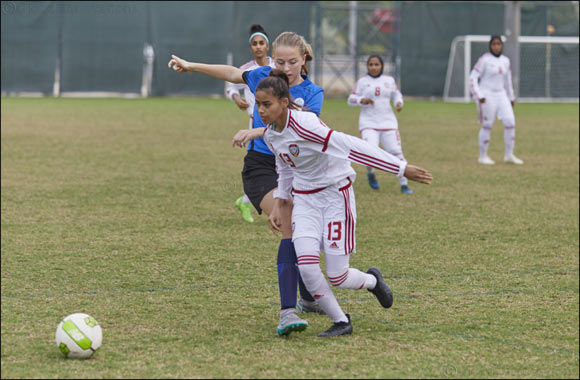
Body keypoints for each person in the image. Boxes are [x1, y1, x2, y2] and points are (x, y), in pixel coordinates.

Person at [233, 70, 433, 337]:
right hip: (305, 201)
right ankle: (341, 321)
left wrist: (400, 168)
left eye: (266, 104)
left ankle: (373, 282)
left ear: (284, 102)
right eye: (258, 104)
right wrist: (281, 204)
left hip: (336, 196)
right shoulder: (270, 135)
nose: (261, 110)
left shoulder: (306, 124)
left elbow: (352, 146)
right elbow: (286, 168)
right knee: (306, 265)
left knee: (338, 276)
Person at [169, 31, 325, 336]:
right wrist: (191, 66)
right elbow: (232, 73)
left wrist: (254, 131)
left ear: (303, 59)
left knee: (306, 233)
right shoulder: (264, 77)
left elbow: (297, 129)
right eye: (279, 61)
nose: (285, 67)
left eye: (292, 61)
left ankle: (307, 297)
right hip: (261, 169)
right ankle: (287, 312)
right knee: (290, 227)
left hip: (295, 170)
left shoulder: (313, 93)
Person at [226, 24, 277, 224]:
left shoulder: (276, 67)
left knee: (279, 162)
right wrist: (236, 98)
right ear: (251, 47)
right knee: (263, 163)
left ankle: (247, 200)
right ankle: (252, 199)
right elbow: (230, 86)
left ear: (268, 46)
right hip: (256, 124)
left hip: (278, 122)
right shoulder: (247, 70)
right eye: (254, 44)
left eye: (261, 43)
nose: (258, 47)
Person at [348, 55, 413, 194]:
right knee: (370, 152)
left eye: (376, 64)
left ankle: (404, 184)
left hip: (388, 122)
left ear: (381, 66)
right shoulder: (362, 82)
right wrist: (361, 100)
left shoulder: (389, 81)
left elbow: (396, 95)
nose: (373, 67)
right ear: (367, 66)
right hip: (368, 123)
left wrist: (398, 103)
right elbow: (351, 99)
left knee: (396, 152)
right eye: (371, 64)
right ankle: (370, 173)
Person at [469, 35, 523, 165]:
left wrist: (511, 97)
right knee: (487, 125)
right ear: (490, 45)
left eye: (499, 44)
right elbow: (472, 78)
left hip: (502, 95)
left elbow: (507, 81)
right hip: (487, 95)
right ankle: (483, 156)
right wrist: (479, 95)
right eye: (494, 44)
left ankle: (509, 155)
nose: (496, 46)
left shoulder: (505, 61)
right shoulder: (484, 60)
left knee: (510, 122)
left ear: (502, 46)